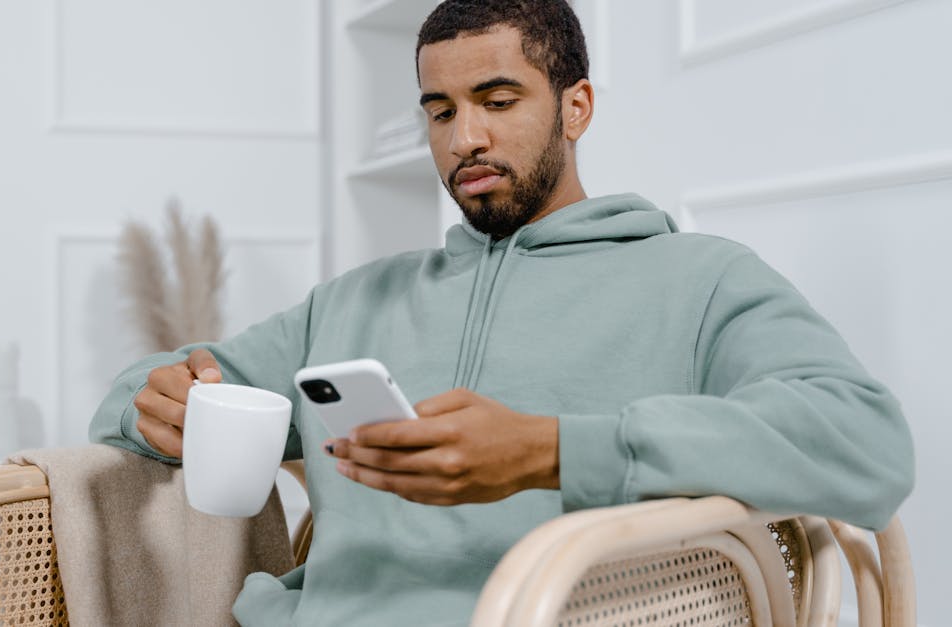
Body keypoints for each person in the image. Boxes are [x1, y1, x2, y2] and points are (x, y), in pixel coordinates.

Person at [89, 1, 915, 624]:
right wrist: (152, 399)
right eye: (441, 112)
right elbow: (145, 392)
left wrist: (550, 449)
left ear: (576, 106)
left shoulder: (699, 279)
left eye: (497, 99)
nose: (464, 138)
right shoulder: (355, 299)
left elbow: (866, 440)